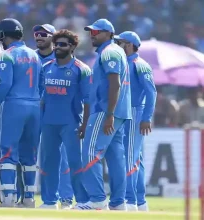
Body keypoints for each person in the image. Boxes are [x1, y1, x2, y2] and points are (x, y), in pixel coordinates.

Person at [0, 18, 42, 208]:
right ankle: (29, 199)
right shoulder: (35, 55)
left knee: (6, 152)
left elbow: (6, 84)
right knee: (29, 155)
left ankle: (8, 198)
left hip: (13, 106)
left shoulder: (6, 55)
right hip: (34, 106)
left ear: (1, 35)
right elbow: (40, 85)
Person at [78, 18, 132, 210]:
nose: (92, 35)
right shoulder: (116, 51)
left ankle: (97, 200)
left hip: (105, 111)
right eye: (91, 32)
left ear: (109, 34)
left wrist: (108, 113)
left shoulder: (109, 52)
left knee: (91, 152)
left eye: (96, 32)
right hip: (118, 111)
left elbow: (114, 83)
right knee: (115, 158)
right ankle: (118, 203)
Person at [38, 29, 90, 210]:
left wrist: (84, 124)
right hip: (49, 123)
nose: (57, 47)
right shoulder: (46, 67)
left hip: (71, 123)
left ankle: (82, 201)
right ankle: (49, 201)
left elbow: (88, 100)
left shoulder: (81, 70)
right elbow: (42, 97)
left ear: (73, 46)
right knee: (48, 164)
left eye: (62, 44)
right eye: (56, 44)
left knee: (76, 163)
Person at [33, 24, 74, 209]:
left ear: (53, 39)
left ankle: (65, 198)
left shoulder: (62, 58)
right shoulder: (30, 57)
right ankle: (31, 196)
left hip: (55, 113)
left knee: (62, 158)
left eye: (43, 34)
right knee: (38, 156)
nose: (39, 37)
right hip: (32, 111)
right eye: (36, 34)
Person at [115, 31, 157, 211]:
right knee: (135, 159)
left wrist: (146, 117)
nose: (117, 45)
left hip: (134, 112)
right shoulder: (125, 63)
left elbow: (151, 92)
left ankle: (130, 200)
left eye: (121, 42)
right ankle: (140, 202)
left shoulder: (140, 65)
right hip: (125, 111)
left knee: (129, 158)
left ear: (130, 44)